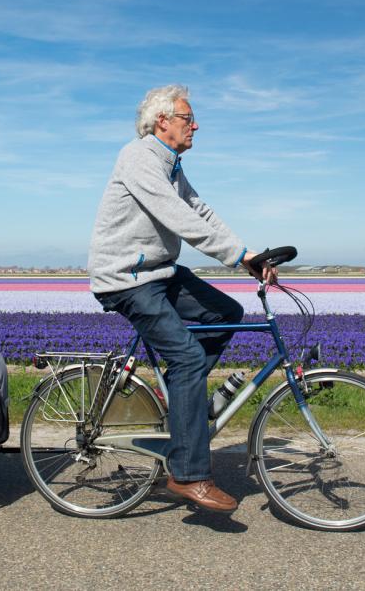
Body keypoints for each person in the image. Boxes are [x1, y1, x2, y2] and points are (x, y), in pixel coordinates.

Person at [87, 84, 276, 514]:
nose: (196, 125)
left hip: (159, 272)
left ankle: (179, 399)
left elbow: (201, 210)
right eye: (188, 118)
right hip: (127, 278)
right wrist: (237, 256)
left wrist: (247, 255)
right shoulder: (137, 158)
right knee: (190, 357)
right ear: (162, 123)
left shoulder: (172, 164)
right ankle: (189, 474)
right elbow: (180, 220)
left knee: (226, 311)